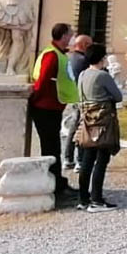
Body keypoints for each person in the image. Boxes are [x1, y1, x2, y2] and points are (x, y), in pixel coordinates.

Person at [30, 22, 78, 195]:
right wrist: (35, 99)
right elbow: (42, 80)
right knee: (50, 146)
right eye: (70, 34)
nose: (72, 38)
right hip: (45, 106)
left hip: (52, 106)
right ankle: (54, 183)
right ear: (63, 35)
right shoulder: (52, 55)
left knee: (53, 145)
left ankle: (57, 181)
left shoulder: (57, 53)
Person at [74, 43, 122, 212]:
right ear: (102, 58)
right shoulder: (102, 76)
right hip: (102, 120)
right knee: (101, 160)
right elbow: (118, 96)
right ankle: (97, 199)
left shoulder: (82, 74)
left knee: (87, 159)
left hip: (86, 119)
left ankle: (83, 198)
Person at [61, 33, 92, 173]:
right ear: (85, 45)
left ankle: (68, 158)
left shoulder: (71, 58)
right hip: (82, 97)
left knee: (74, 126)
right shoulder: (83, 60)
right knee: (81, 127)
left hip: (74, 96)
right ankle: (80, 160)